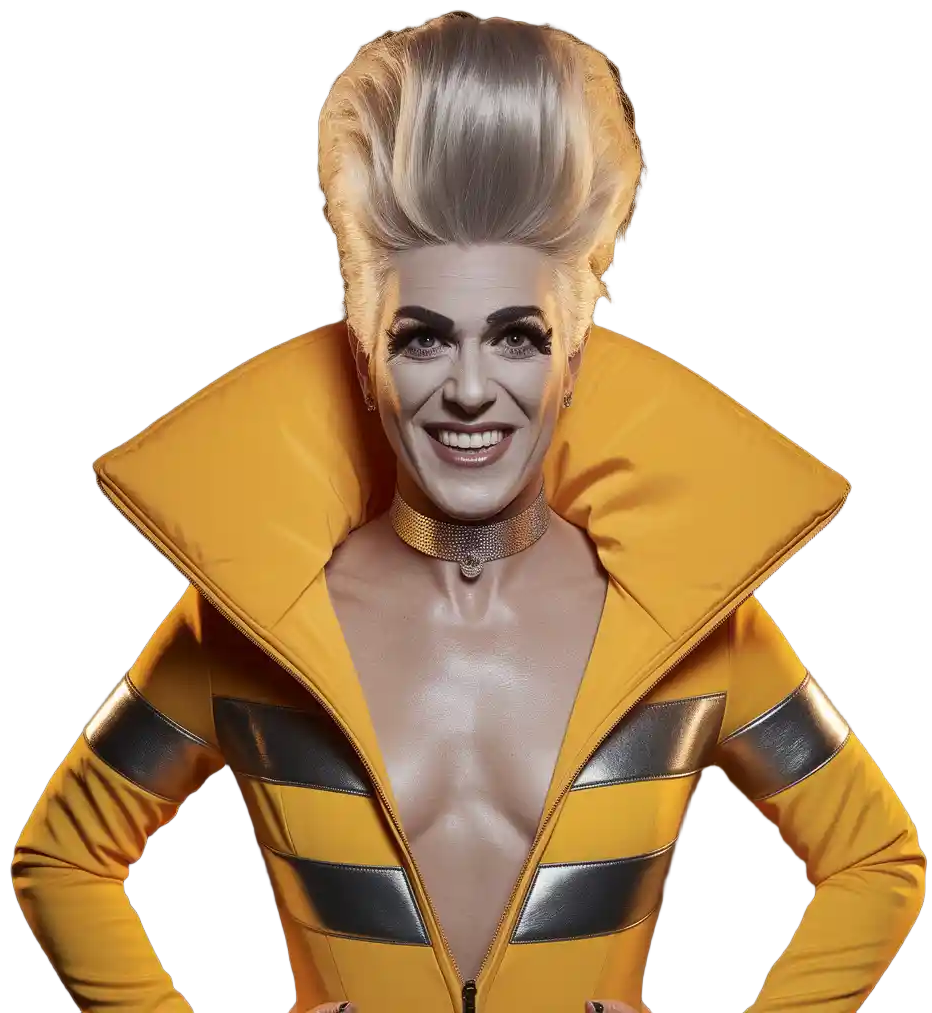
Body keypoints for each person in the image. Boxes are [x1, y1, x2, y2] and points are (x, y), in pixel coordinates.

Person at [12, 13, 924, 1013]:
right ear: (364, 359)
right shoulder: (243, 621)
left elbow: (875, 860)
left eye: (517, 337)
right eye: (422, 339)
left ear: (573, 362)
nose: (471, 389)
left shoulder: (700, 625)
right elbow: (61, 858)